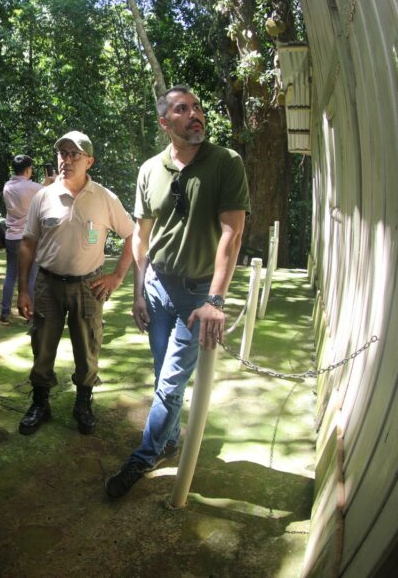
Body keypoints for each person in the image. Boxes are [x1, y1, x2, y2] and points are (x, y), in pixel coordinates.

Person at [104, 86, 250, 499]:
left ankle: (144, 457)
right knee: (161, 373)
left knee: (170, 383)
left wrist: (215, 301)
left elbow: (232, 232)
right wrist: (138, 290)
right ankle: (169, 438)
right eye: (182, 109)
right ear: (165, 123)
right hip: (156, 288)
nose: (195, 114)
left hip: (197, 296)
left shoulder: (226, 162)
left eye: (198, 107)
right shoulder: (151, 169)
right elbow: (140, 235)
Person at [17, 132, 134, 436]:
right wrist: (24, 289)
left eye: (74, 154)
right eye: (62, 153)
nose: (66, 160)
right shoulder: (43, 196)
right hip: (47, 284)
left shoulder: (105, 198)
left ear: (89, 161)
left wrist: (117, 276)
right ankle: (40, 403)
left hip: (88, 285)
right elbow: (28, 244)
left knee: (87, 349)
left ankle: (83, 403)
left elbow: (133, 236)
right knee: (42, 346)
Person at [0, 154, 49, 324]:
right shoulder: (33, 187)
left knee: (11, 274)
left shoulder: (7, 186)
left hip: (12, 236)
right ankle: (31, 314)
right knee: (32, 276)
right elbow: (46, 193)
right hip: (29, 238)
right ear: (28, 169)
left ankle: (4, 313)